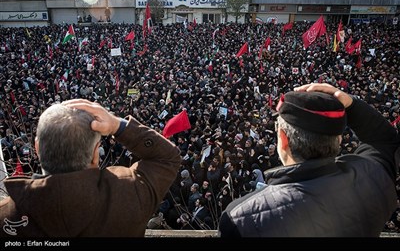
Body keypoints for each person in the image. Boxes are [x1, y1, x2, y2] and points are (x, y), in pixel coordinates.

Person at [219, 83, 400, 237]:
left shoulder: (239, 220)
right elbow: (385, 140)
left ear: (283, 139)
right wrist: (350, 105)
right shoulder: (371, 179)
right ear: (338, 139)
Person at [0, 99, 181, 237]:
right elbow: (167, 157)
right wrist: (117, 125)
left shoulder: (6, 216)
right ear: (96, 153)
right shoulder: (131, 193)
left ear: (37, 149)